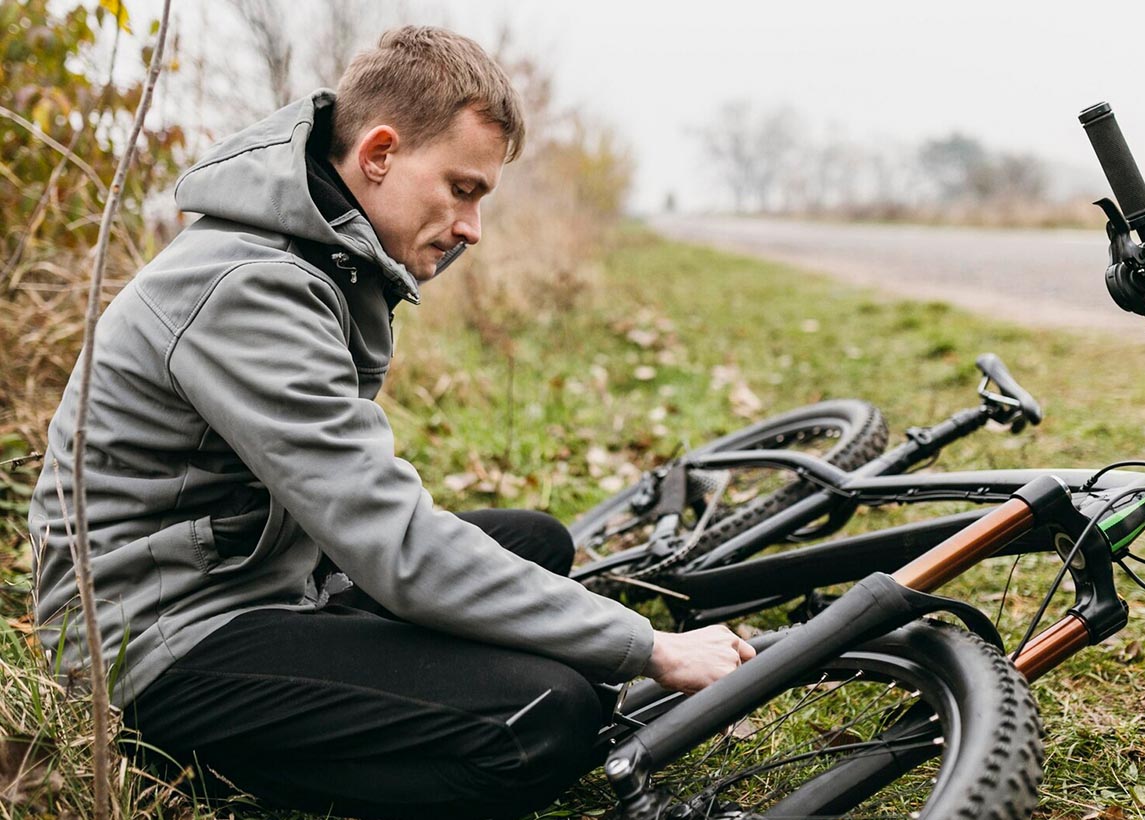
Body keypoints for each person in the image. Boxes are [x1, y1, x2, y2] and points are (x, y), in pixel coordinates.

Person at [27, 25, 754, 820]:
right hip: (155, 647)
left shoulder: (317, 255)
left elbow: (370, 527)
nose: (472, 227)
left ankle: (367, 718)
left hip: (263, 585)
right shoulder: (245, 289)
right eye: (463, 189)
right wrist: (648, 648)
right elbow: (394, 541)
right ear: (378, 154)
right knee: (547, 717)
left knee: (537, 541)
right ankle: (241, 778)